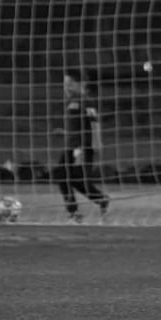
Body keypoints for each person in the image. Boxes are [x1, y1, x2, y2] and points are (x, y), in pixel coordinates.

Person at [54, 68, 110, 222]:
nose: (66, 87)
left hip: (81, 148)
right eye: (65, 84)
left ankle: (94, 202)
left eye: (70, 84)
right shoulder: (72, 102)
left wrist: (97, 144)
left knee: (72, 177)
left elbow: (94, 123)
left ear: (81, 84)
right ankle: (85, 207)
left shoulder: (85, 101)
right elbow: (79, 127)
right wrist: (65, 132)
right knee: (64, 176)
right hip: (72, 146)